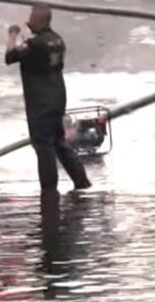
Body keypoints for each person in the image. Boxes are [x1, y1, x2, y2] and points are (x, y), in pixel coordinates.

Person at [4, 4, 92, 193]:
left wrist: (12, 36)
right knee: (59, 142)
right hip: (57, 98)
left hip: (40, 102)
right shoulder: (57, 40)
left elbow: (10, 56)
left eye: (32, 17)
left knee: (43, 145)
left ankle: (49, 192)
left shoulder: (36, 44)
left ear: (41, 19)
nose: (29, 20)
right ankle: (82, 183)